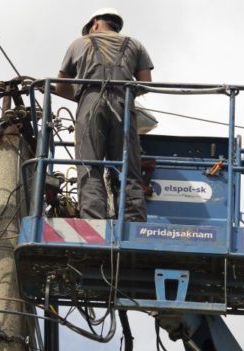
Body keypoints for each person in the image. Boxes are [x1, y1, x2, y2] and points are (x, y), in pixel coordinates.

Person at [54, 8, 154, 221]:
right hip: (123, 103)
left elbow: (60, 87)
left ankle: (93, 221)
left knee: (89, 166)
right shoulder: (135, 45)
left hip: (90, 103)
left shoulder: (79, 44)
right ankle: (133, 219)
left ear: (96, 24)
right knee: (128, 167)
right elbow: (145, 84)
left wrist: (84, 96)